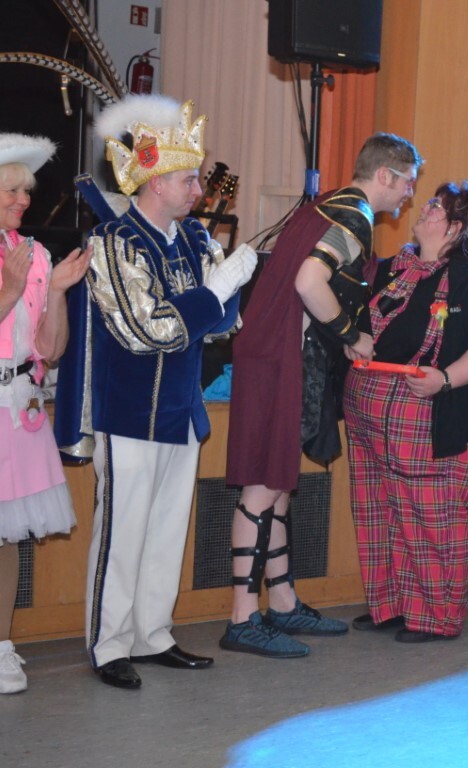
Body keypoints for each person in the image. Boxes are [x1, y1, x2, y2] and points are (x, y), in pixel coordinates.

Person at [221, 133, 423, 658]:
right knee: (263, 486)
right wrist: (351, 334)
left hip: (277, 353)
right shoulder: (353, 215)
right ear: (385, 175)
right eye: (407, 183)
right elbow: (310, 281)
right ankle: (242, 617)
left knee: (278, 484)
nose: (408, 194)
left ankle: (282, 601)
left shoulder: (330, 203)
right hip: (282, 357)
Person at [80, 96, 257, 689]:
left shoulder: (194, 240)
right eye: (189, 180)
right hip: (129, 412)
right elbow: (147, 329)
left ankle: (151, 634)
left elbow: (224, 325)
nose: (198, 190)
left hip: (181, 409)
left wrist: (219, 293)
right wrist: (215, 292)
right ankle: (109, 644)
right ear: (156, 183)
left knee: (165, 531)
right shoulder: (114, 241)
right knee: (122, 532)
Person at [344, 181, 468, 642]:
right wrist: (354, 343)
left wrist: (445, 379)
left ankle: (435, 616)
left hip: (430, 416)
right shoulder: (394, 268)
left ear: (454, 228)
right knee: (380, 511)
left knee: (431, 519)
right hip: (372, 411)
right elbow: (364, 325)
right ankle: (392, 606)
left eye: (436, 207)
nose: (425, 208)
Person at [0, 135, 91, 694]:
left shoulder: (34, 254)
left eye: (26, 191)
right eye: (12, 190)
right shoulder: (16, 267)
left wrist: (55, 291)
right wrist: (10, 290)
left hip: (17, 409)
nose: (23, 200)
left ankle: (1, 647)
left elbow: (50, 349)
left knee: (7, 538)